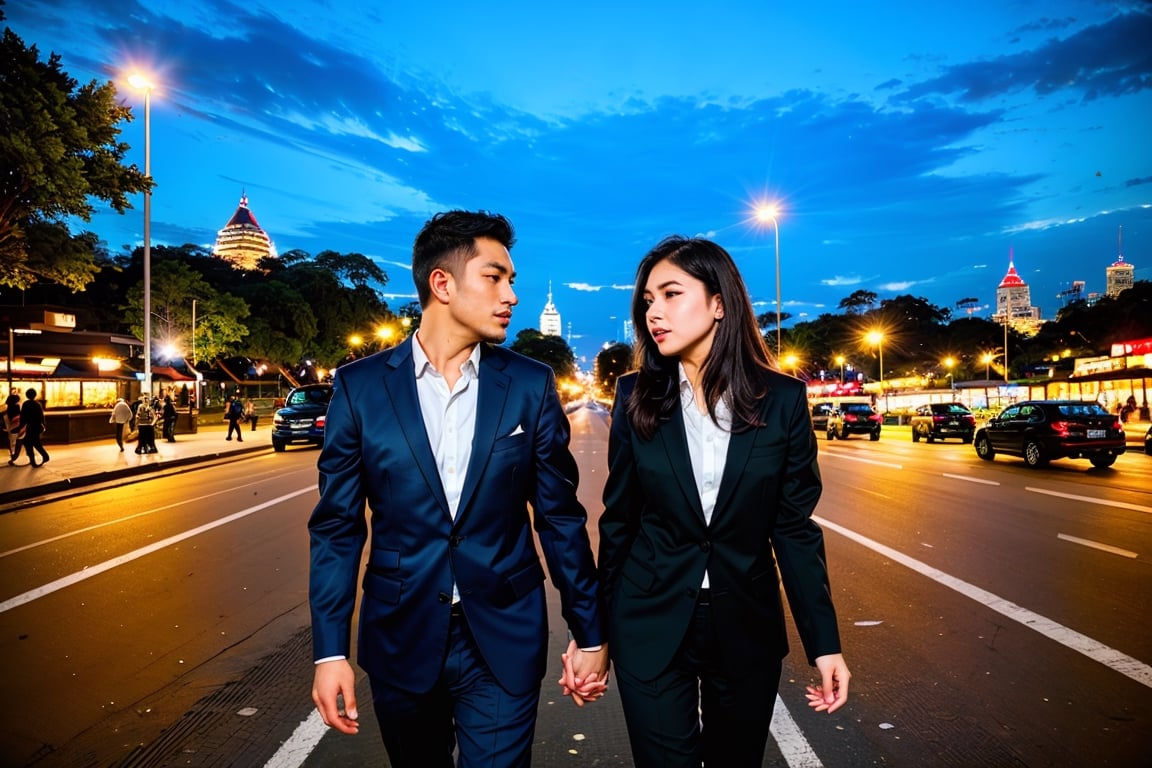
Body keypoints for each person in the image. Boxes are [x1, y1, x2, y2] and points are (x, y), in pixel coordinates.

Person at [309, 210, 607, 768]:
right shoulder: (360, 388)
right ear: (441, 284)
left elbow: (559, 517)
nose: (511, 296)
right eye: (495, 278)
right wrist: (329, 652)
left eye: (512, 281)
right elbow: (337, 529)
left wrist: (590, 633)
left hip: (503, 634)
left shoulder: (529, 383)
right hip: (400, 634)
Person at [598, 236, 850, 768]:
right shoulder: (634, 397)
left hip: (744, 624)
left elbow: (794, 530)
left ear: (718, 304)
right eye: (647, 301)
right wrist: (594, 634)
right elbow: (618, 522)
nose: (654, 313)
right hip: (648, 620)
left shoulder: (782, 401)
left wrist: (824, 644)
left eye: (670, 294)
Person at [17, 388, 50, 467]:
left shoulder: (26, 404)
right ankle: (43, 457)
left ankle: (35, 460)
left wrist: (21, 426)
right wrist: (43, 425)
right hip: (37, 426)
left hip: (30, 426)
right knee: (35, 442)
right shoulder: (38, 404)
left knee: (29, 443)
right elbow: (41, 416)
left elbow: (23, 416)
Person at [5, 388, 21, 463]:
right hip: (17, 426)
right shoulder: (16, 407)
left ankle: (12, 456)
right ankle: (14, 457)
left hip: (10, 428)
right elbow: (18, 416)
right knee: (16, 442)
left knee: (12, 442)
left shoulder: (7, 409)